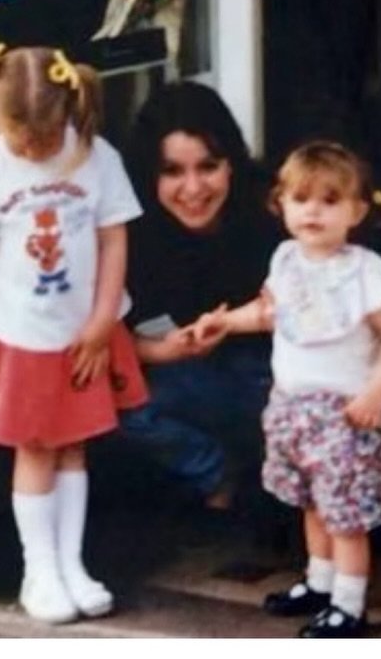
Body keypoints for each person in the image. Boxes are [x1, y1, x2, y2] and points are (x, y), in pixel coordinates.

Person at [0, 43, 147, 625]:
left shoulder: (96, 157)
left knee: (74, 444)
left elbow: (115, 242)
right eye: (20, 140)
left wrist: (101, 321)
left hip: (81, 333)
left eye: (43, 137)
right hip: (21, 335)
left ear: (66, 110)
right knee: (35, 446)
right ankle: (38, 570)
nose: (33, 150)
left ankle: (72, 564)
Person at [195, 141, 381, 638]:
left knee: (344, 517)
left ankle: (348, 606)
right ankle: (319, 582)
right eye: (302, 198)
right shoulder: (286, 259)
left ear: (356, 210)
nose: (313, 210)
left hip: (345, 415)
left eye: (329, 201)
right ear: (280, 204)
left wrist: (376, 392)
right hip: (292, 408)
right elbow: (270, 313)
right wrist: (225, 322)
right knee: (310, 503)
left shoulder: (363, 274)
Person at [120, 81, 284, 511]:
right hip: (186, 376)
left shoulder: (275, 212)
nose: (193, 189)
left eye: (208, 166)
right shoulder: (132, 234)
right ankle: (217, 477)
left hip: (276, 376)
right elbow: (111, 337)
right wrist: (163, 351)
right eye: (173, 171)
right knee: (125, 405)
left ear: (231, 163)